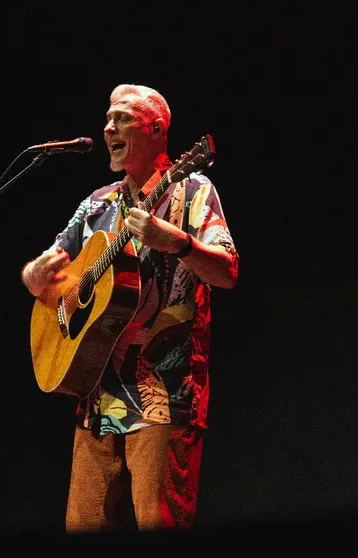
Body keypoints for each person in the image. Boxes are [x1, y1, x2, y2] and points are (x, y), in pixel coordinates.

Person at [20, 84, 239, 533]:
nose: (108, 128)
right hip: (94, 396)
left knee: (160, 523)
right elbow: (44, 279)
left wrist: (175, 241)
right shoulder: (96, 204)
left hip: (165, 393)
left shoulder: (192, 187)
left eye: (122, 118)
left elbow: (227, 272)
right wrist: (35, 275)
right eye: (107, 118)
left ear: (157, 130)